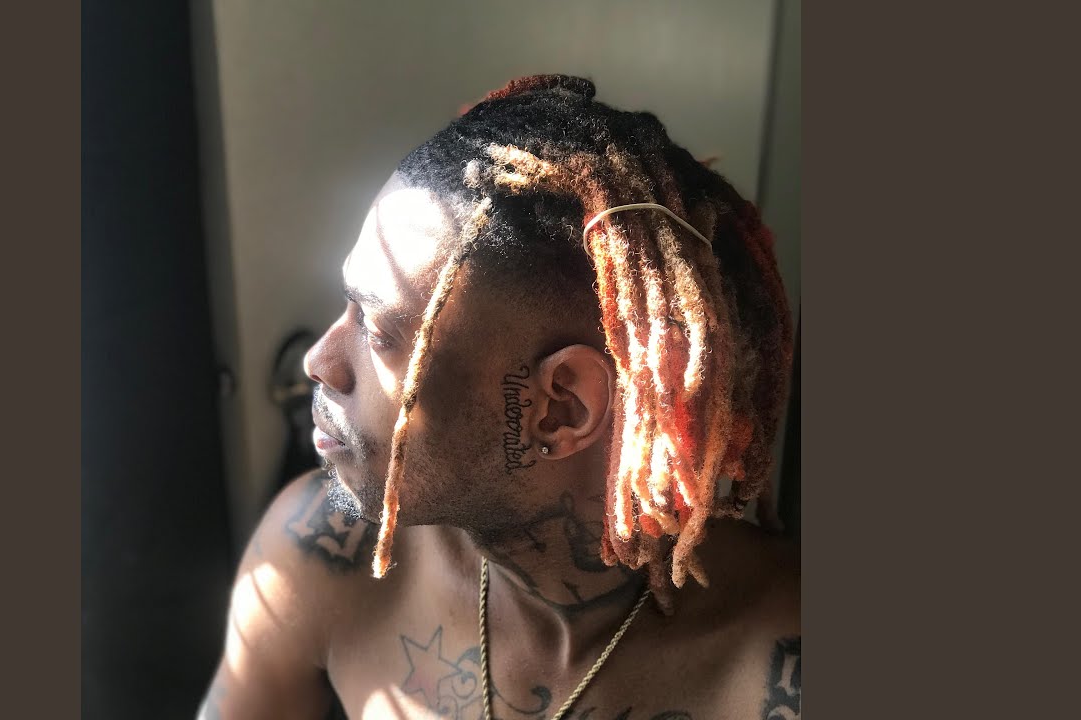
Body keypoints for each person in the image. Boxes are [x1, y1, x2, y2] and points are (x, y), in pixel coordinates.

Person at [199, 75, 799, 720]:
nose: (319, 360)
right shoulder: (317, 553)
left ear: (561, 407)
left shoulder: (775, 669)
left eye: (378, 333)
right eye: (347, 305)